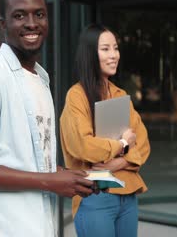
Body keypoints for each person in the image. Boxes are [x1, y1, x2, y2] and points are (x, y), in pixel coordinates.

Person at [0, 0, 95, 237]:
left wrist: (60, 174)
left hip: (43, 225)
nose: (31, 23)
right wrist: (50, 181)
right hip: (7, 228)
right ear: (3, 23)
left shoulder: (41, 78)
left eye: (39, 14)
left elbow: (27, 158)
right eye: (19, 16)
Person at [60, 23, 151, 237]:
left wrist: (116, 161)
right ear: (90, 54)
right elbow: (83, 146)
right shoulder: (76, 96)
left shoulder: (120, 95)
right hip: (95, 196)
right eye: (105, 49)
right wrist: (122, 144)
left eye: (116, 48)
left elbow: (144, 144)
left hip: (127, 195)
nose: (114, 55)